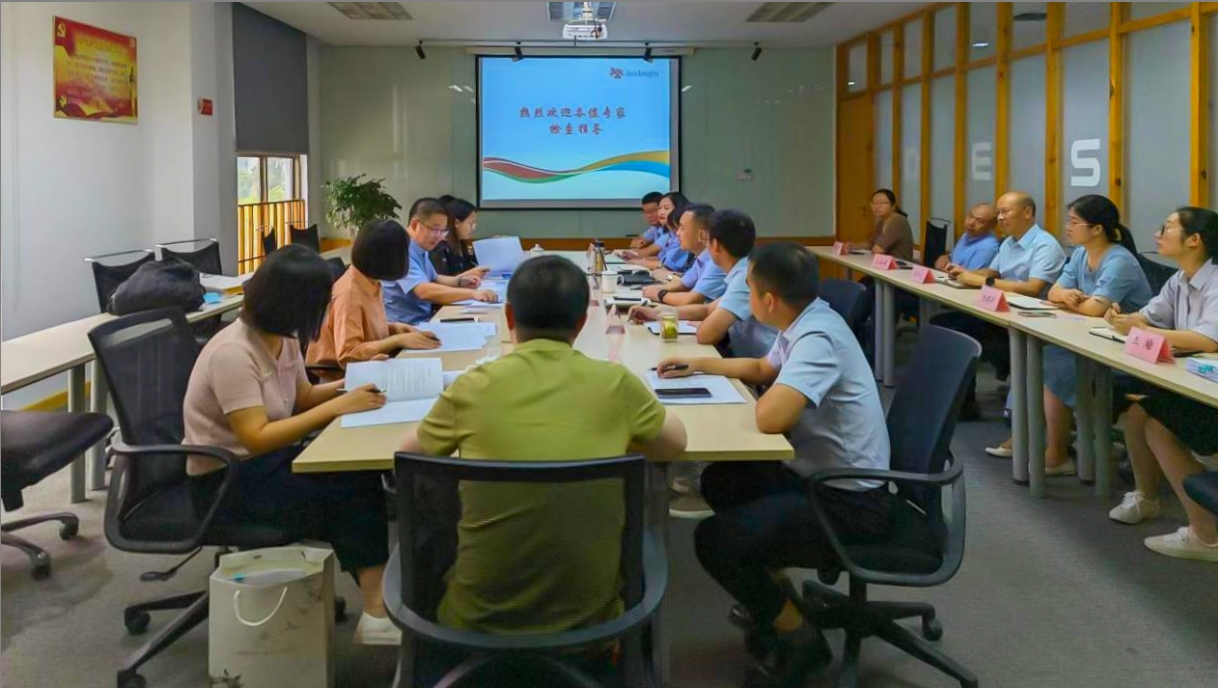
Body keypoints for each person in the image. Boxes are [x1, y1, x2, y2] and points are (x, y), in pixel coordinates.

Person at [397, 256, 688, 670]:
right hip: (593, 625)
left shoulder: (473, 386)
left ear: (509, 317)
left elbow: (408, 454)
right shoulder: (616, 383)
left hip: (473, 623)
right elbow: (673, 444)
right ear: (581, 323)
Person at [655, 243, 891, 687]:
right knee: (723, 479)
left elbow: (771, 418)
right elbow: (765, 369)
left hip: (848, 500)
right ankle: (777, 598)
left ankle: (801, 639)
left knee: (715, 541)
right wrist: (700, 365)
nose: (744, 296)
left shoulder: (817, 339)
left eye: (748, 289)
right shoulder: (805, 319)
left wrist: (755, 397)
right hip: (817, 475)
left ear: (768, 299)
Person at [182, 245, 397, 644]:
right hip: (227, 483)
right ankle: (377, 609)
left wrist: (352, 384)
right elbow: (256, 436)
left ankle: (378, 605)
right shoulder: (234, 353)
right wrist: (340, 406)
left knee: (358, 474)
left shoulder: (283, 339)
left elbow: (301, 397)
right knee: (352, 492)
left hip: (266, 463)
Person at [990, 195, 1153, 468]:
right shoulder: (1080, 253)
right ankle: (1028, 436)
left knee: (1054, 365)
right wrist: (1069, 297)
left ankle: (1058, 453)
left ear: (1097, 229)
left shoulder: (1119, 261)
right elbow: (1055, 292)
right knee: (1038, 357)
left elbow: (1094, 309)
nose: (1067, 227)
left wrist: (1069, 300)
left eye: (1074, 222)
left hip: (1123, 351)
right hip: (1091, 340)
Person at [1105, 207, 1218, 562]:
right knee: (1138, 413)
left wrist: (1143, 331)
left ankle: (1206, 535)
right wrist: (1124, 319)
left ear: (1194, 239)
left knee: (1158, 426)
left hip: (1210, 391)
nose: (1157, 234)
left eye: (1167, 227)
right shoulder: (1180, 278)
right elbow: (1150, 315)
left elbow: (1208, 340)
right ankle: (1146, 497)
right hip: (1195, 382)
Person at [931, 191, 1067, 419]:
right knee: (943, 324)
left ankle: (966, 406)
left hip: (1030, 323)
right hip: (1001, 313)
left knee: (959, 329)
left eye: (1005, 212)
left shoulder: (1045, 245)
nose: (1000, 218)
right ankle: (957, 402)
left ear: (1027, 212)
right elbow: (993, 272)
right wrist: (965, 272)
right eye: (999, 213)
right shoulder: (1009, 243)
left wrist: (984, 282)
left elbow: (1033, 288)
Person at [630, 209, 778, 358]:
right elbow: (707, 310)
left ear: (715, 244)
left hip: (758, 365)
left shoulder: (745, 278)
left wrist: (705, 325)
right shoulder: (742, 269)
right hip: (744, 357)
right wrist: (657, 313)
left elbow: (706, 335)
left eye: (707, 241)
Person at [308, 220, 440, 372]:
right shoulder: (349, 295)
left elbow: (366, 329)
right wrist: (397, 340)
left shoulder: (371, 282)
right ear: (387, 258)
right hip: (342, 377)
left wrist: (396, 329)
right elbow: (348, 355)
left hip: (371, 366)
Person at [382, 198, 500, 325]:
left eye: (443, 231)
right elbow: (423, 291)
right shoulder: (400, 249)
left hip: (425, 320)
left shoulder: (420, 246)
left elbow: (434, 278)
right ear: (416, 225)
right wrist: (473, 294)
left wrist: (459, 281)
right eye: (435, 229)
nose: (439, 236)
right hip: (406, 326)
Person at [642, 203, 727, 306]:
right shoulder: (702, 257)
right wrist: (651, 290)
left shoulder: (716, 261)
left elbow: (691, 299)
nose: (677, 233)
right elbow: (683, 284)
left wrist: (659, 294)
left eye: (682, 228)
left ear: (702, 234)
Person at [625, 191, 694, 272]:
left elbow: (666, 266)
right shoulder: (670, 234)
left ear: (679, 210)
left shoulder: (681, 236)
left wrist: (639, 261)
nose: (661, 212)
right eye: (659, 208)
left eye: (666, 208)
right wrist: (635, 259)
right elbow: (661, 258)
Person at [430, 198, 488, 278]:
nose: (473, 228)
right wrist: (470, 273)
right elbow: (439, 281)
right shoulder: (441, 248)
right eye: (471, 224)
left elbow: (472, 264)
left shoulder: (462, 244)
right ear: (457, 223)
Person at [936, 203, 1000, 272]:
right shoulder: (967, 234)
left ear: (991, 226)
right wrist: (946, 258)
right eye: (970, 216)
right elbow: (957, 259)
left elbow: (972, 277)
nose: (971, 223)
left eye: (980, 221)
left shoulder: (988, 247)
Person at [855, 188, 913, 261]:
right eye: (874, 203)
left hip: (899, 265)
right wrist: (854, 247)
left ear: (893, 206)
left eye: (882, 203)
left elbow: (878, 250)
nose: (877, 206)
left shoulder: (898, 221)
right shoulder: (882, 221)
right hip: (884, 263)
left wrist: (874, 248)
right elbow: (871, 244)